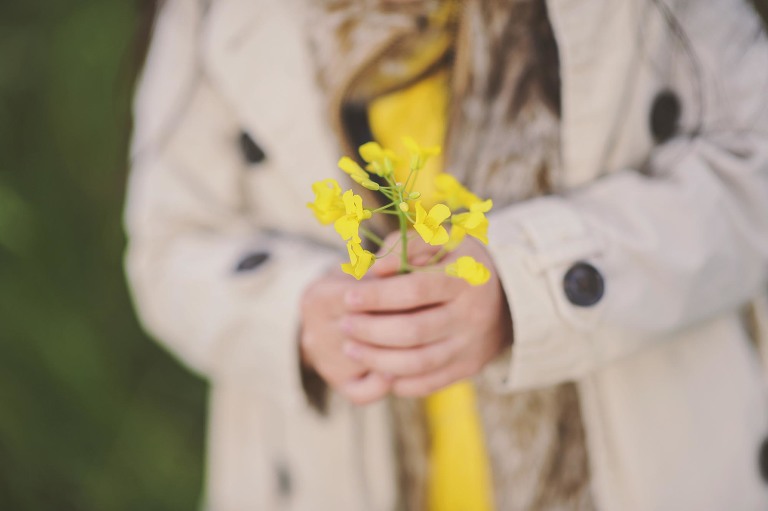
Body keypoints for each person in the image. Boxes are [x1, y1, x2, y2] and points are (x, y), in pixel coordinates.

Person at [125, 0, 768, 509]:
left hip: (649, 468)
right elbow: (166, 248)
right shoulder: (206, 13)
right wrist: (302, 314)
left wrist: (531, 287)